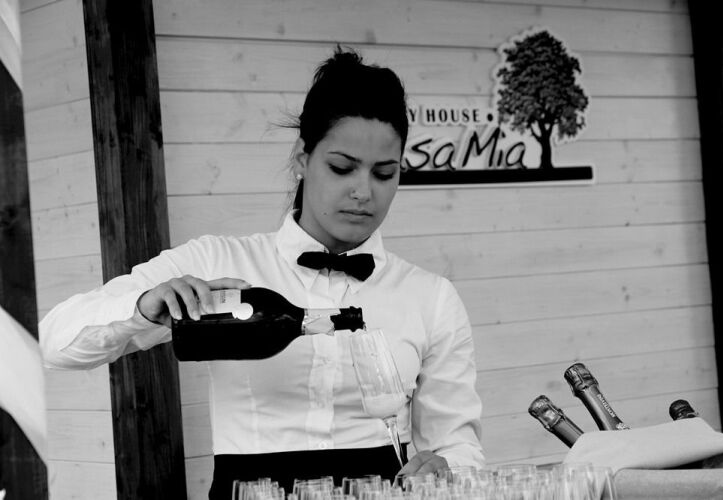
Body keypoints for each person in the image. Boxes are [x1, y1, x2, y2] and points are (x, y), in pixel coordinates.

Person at [40, 46, 484, 497]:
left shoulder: (431, 296)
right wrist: (142, 309)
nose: (363, 192)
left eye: (384, 174)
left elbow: (458, 445)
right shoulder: (217, 263)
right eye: (342, 168)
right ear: (301, 157)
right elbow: (54, 343)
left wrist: (447, 468)